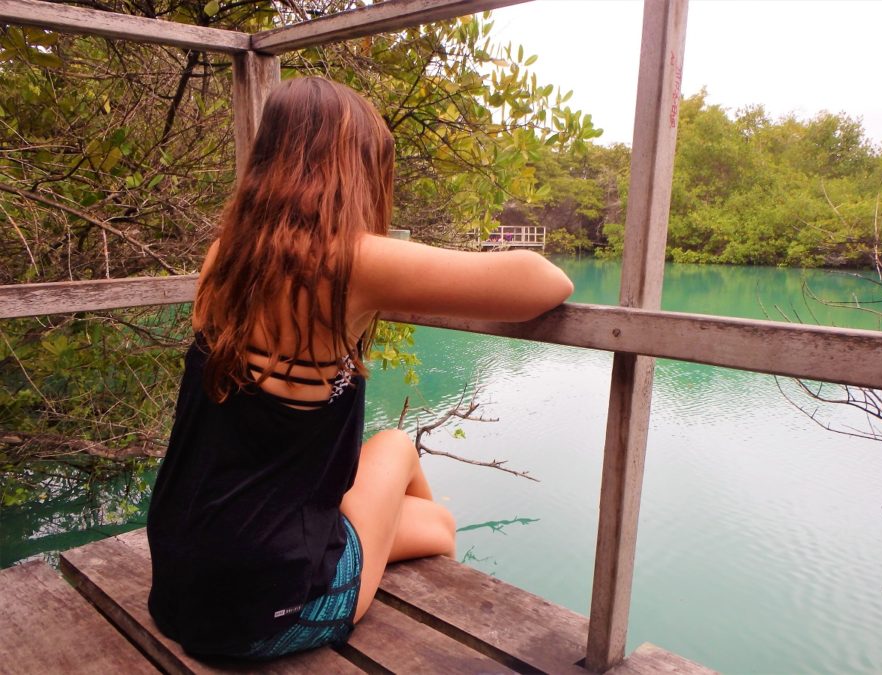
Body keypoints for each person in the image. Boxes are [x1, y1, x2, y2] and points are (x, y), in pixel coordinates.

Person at [146, 76, 573, 660]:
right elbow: (544, 282)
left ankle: (383, 542)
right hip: (262, 612)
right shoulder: (350, 262)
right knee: (434, 514)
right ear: (353, 169)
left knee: (407, 471)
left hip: (180, 586)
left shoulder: (227, 254)